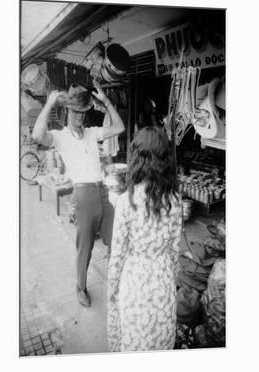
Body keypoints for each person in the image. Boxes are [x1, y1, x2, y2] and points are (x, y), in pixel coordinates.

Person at [32, 83, 125, 307]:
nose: (80, 117)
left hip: (103, 192)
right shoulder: (60, 136)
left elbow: (119, 127)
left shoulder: (92, 133)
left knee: (117, 241)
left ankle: (116, 284)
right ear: (67, 111)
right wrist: (49, 103)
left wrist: (106, 101)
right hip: (83, 195)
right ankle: (80, 287)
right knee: (85, 248)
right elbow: (37, 134)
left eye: (83, 112)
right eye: (75, 112)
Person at [108, 126, 182, 352]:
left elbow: (117, 255)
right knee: (160, 343)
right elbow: (174, 252)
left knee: (135, 343)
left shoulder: (125, 202)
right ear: (165, 160)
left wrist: (112, 290)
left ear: (137, 158)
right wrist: (172, 280)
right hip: (163, 282)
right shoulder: (175, 201)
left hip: (135, 284)